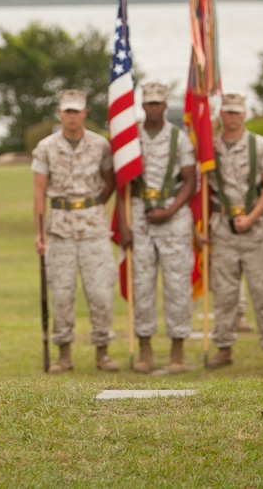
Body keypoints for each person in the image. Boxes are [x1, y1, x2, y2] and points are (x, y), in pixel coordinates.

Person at [33, 89, 119, 374]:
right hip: (60, 228)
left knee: (100, 292)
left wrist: (93, 207)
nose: (72, 116)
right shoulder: (45, 147)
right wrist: (40, 233)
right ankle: (64, 354)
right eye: (67, 111)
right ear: (60, 113)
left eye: (76, 111)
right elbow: (38, 192)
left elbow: (110, 181)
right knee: (61, 293)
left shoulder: (100, 145)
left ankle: (103, 352)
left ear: (84, 113)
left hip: (93, 228)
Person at [116, 82, 197, 374]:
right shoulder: (129, 139)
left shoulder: (180, 138)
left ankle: (178, 351)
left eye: (158, 103)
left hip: (173, 217)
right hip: (139, 215)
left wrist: (170, 210)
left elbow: (191, 180)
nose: (153, 108)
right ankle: (145, 349)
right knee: (142, 285)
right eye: (148, 103)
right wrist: (123, 226)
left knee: (177, 285)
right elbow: (122, 184)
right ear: (142, 106)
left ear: (165, 106)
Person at [203, 93, 263, 369]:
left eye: (237, 112)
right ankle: (223, 348)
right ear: (220, 115)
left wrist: (251, 217)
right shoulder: (209, 148)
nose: (232, 117)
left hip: (256, 229)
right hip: (222, 228)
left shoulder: (261, 146)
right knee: (224, 293)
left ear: (245, 114)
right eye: (228, 112)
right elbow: (202, 189)